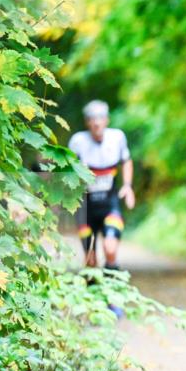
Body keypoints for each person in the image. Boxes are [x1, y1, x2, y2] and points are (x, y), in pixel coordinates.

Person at [69, 100, 135, 271]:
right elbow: (67, 172)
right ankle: (94, 294)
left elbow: (126, 161)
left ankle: (112, 288)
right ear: (87, 122)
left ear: (107, 120)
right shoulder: (78, 142)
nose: (96, 122)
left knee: (110, 249)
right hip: (85, 208)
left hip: (109, 204)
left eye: (100, 118)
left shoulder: (117, 137)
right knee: (90, 260)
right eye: (92, 118)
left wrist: (127, 186)